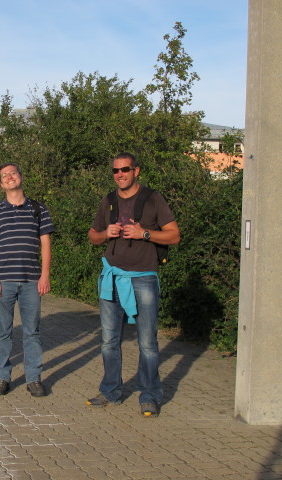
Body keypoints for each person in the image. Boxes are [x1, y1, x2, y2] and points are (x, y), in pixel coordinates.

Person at [86, 152, 180, 417]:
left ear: (136, 171)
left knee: (147, 342)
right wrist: (106, 233)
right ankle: (110, 391)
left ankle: (150, 396)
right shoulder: (109, 201)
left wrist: (144, 233)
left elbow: (174, 236)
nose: (120, 174)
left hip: (143, 278)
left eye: (125, 169)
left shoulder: (153, 199)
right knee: (108, 341)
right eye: (115, 170)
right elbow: (93, 236)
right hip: (112, 278)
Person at [0, 163, 54, 398]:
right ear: (1, 184)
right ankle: (2, 377)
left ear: (21, 177)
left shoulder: (38, 209)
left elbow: (45, 243)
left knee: (32, 332)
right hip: (4, 282)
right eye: (4, 176)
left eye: (12, 173)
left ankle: (33, 378)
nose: (9, 177)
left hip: (32, 281)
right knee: (3, 331)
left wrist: (45, 275)